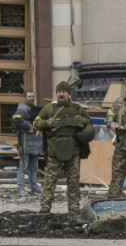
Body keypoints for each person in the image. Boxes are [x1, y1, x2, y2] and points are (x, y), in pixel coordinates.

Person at [34, 81, 94, 214]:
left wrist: (83, 121)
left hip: (73, 151)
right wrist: (47, 122)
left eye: (64, 92)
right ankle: (45, 206)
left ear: (69, 94)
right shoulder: (48, 109)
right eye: (59, 92)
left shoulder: (78, 109)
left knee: (73, 181)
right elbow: (36, 123)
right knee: (50, 180)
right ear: (56, 94)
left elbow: (89, 124)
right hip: (54, 151)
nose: (61, 94)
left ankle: (74, 206)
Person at [11, 91, 43, 197]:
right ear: (24, 97)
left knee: (33, 167)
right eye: (29, 96)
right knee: (23, 167)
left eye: (33, 96)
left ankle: (34, 187)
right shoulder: (22, 108)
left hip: (35, 142)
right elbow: (16, 118)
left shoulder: (33, 109)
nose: (32, 98)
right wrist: (28, 126)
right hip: (25, 141)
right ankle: (20, 188)